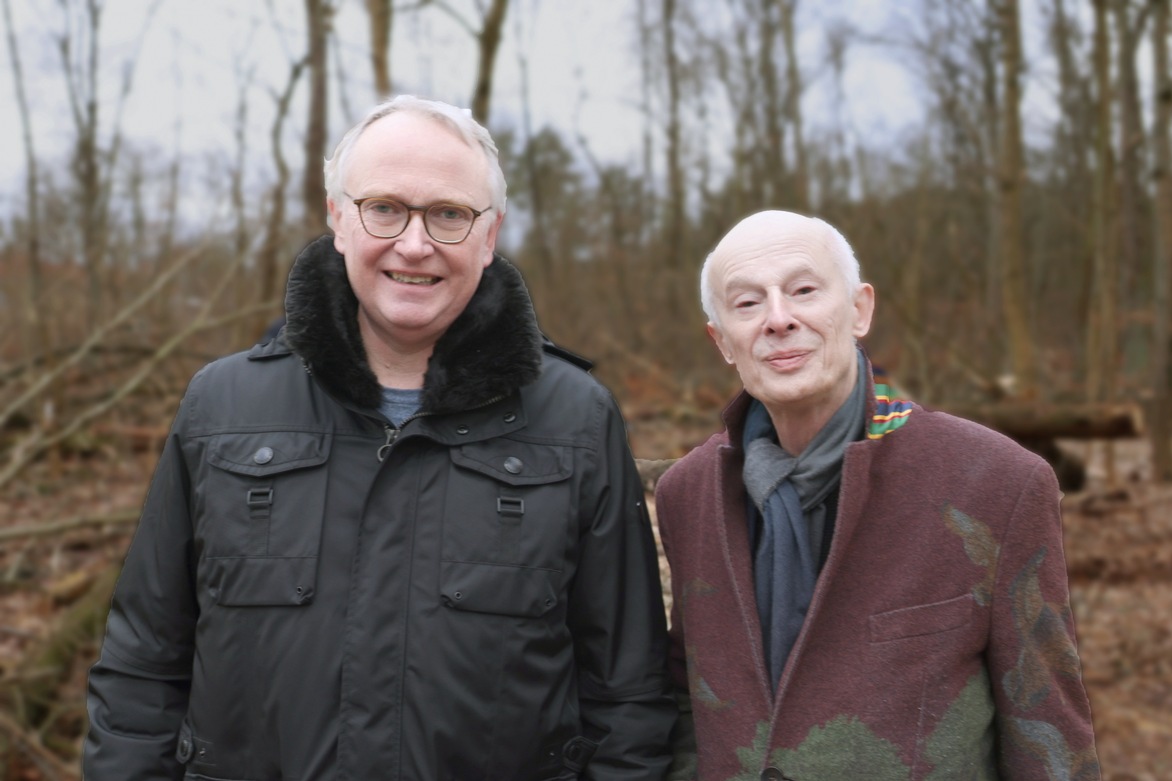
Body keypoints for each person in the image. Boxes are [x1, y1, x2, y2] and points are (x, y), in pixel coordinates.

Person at [83, 95, 676, 780]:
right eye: (385, 208)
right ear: (339, 217)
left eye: (449, 214)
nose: (415, 244)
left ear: (490, 236)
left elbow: (628, 697)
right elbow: (141, 667)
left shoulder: (575, 421)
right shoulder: (223, 405)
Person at [655, 211, 1099, 781]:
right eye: (747, 304)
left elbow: (1049, 736)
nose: (779, 319)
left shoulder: (996, 483)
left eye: (804, 291)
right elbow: (689, 702)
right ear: (721, 341)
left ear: (860, 309)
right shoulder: (689, 494)